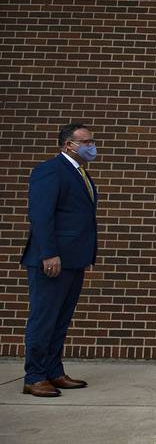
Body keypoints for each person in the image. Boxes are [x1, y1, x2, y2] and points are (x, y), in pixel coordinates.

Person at [19, 123, 98, 397]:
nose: (91, 146)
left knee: (60, 319)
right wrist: (48, 253)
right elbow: (41, 216)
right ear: (69, 145)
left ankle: (54, 371)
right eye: (86, 142)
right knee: (44, 318)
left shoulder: (80, 174)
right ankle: (35, 376)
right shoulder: (50, 171)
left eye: (91, 141)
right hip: (52, 260)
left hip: (74, 260)